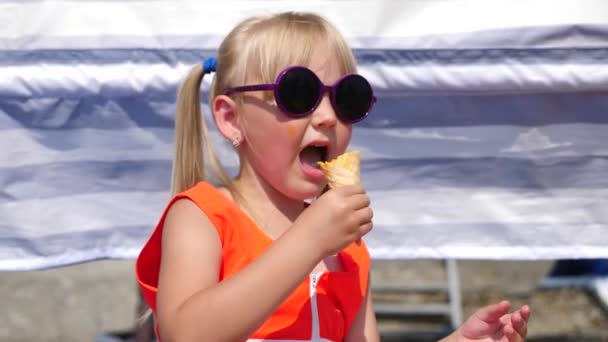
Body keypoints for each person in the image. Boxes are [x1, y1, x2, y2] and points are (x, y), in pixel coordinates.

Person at [135, 11, 531, 342]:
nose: (327, 117)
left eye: (346, 98)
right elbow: (184, 333)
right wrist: (307, 240)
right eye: (299, 94)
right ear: (231, 118)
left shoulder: (345, 249)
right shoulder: (203, 216)